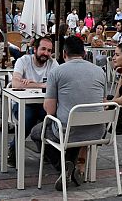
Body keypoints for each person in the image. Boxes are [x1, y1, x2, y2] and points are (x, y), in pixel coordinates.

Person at [31, 35, 105, 189]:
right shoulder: (100, 71)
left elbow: (50, 111)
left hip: (68, 131)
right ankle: (71, 166)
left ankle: (62, 166)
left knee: (38, 131)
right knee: (71, 126)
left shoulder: (57, 72)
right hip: (97, 131)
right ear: (84, 53)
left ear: (64, 54)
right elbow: (101, 102)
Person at [8, 36, 58, 167]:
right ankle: (14, 148)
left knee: (53, 118)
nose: (46, 53)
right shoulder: (23, 61)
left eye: (49, 50)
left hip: (44, 104)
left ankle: (48, 150)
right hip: (22, 103)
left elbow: (56, 85)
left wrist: (30, 83)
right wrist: (42, 85)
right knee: (28, 117)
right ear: (34, 49)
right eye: (43, 49)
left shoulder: (53, 63)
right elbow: (15, 83)